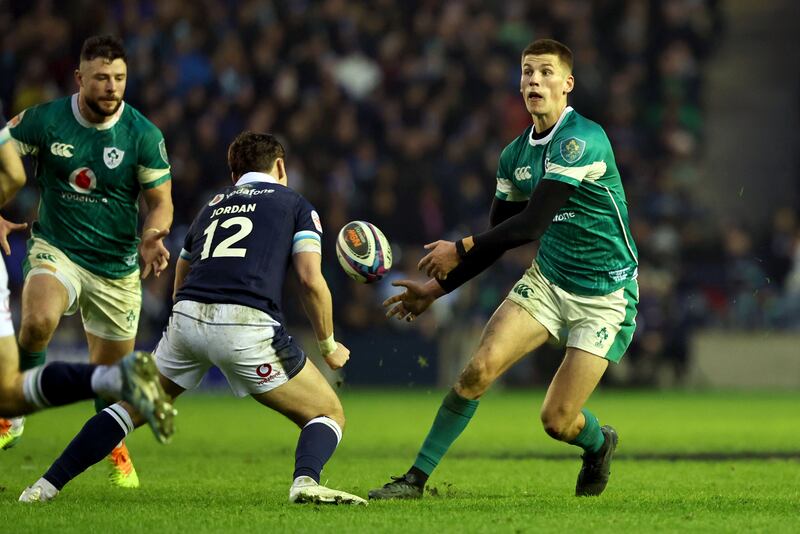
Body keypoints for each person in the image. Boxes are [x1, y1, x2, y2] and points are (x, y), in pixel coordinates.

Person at [19, 131, 366, 505]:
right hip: (246, 324)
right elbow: (310, 279)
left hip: (186, 316)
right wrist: (328, 345)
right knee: (327, 412)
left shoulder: (213, 205)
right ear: (281, 166)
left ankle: (43, 487)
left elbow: (182, 269)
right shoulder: (296, 204)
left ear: (235, 175)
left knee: (128, 409)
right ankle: (306, 482)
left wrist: (186, 323)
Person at [369, 39, 639, 500]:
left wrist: (460, 245)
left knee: (557, 421)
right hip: (549, 281)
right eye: (527, 72)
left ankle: (599, 443)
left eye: (546, 72)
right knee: (476, 371)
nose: (535, 80)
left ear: (567, 84)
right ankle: (414, 480)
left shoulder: (582, 139)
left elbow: (531, 224)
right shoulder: (515, 156)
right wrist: (436, 291)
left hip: (605, 296)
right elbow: (497, 240)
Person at [0, 35, 173, 489]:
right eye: (101, 78)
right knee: (37, 320)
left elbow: (160, 202)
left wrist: (153, 237)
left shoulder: (143, 135)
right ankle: (14, 411)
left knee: (112, 379)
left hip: (116, 265)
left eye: (118, 78)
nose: (111, 86)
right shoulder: (46, 120)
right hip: (57, 248)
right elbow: (5, 158)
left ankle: (112, 445)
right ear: (80, 78)